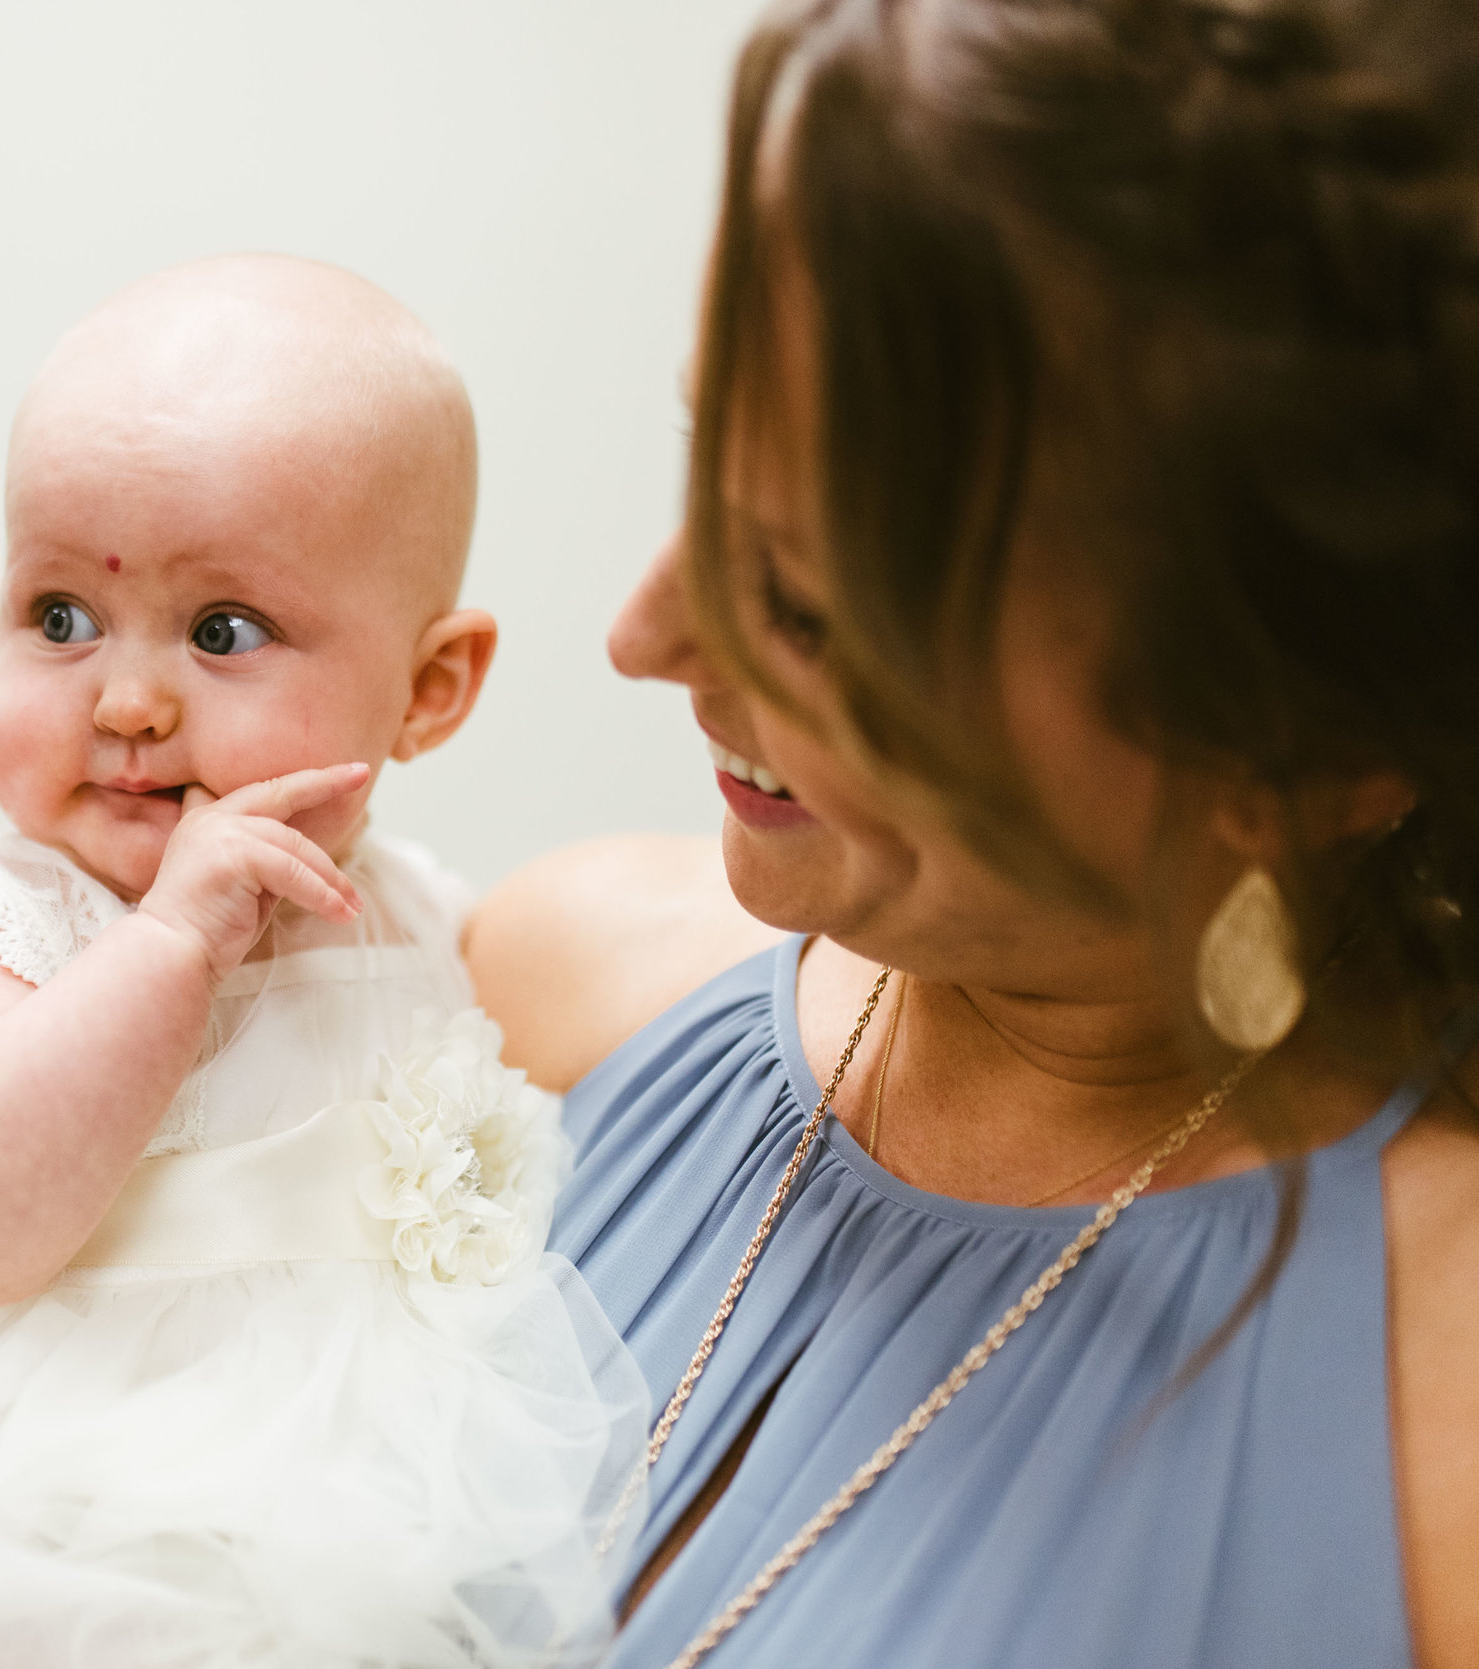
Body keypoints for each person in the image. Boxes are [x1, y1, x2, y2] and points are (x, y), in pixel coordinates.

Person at [468, 1, 1479, 1664]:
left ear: (1303, 746)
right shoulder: (553, 1006)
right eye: (699, 464)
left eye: (807, 603)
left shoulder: (1425, 1430)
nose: (647, 636)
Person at [0, 255, 647, 1668]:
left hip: (348, 1537)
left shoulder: (421, 919)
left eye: (224, 632)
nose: (130, 700)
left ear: (430, 688)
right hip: (19, 1550)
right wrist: (167, 947)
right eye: (60, 619)